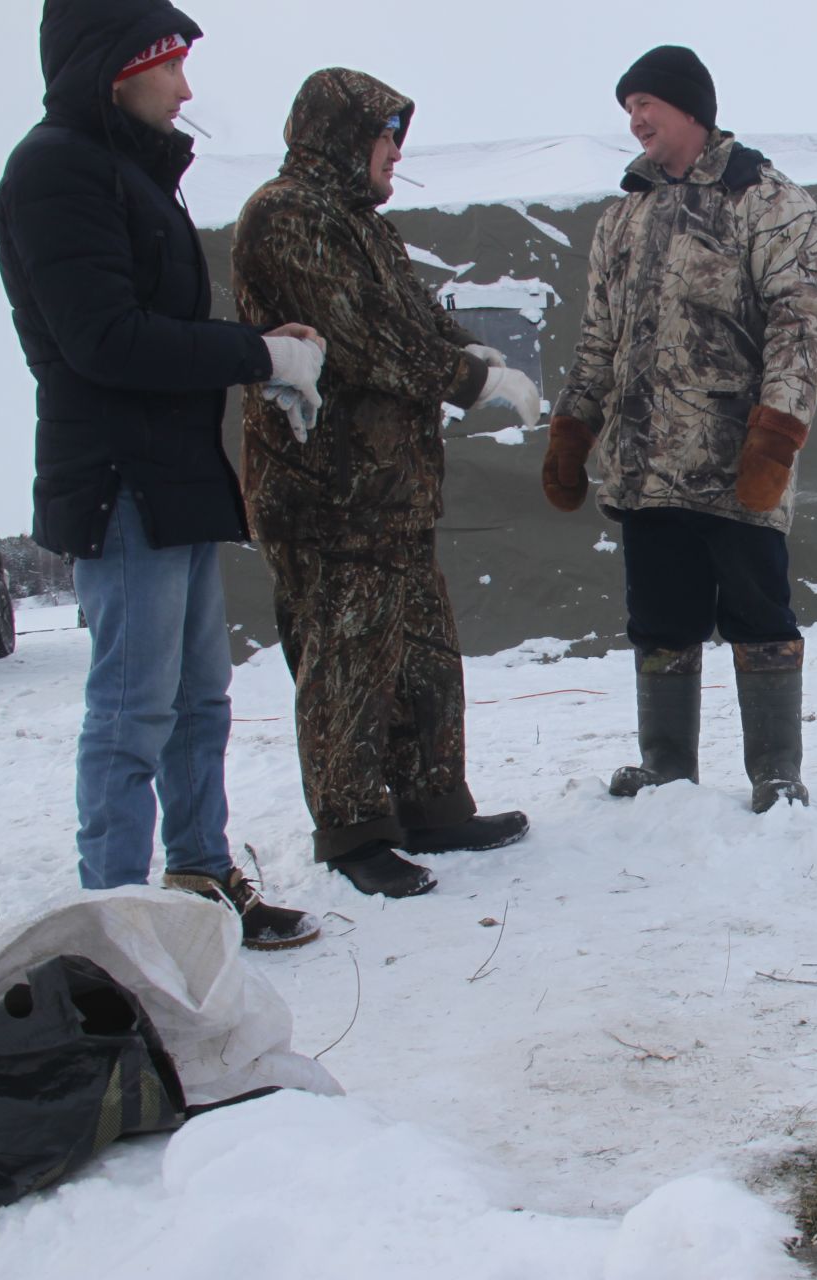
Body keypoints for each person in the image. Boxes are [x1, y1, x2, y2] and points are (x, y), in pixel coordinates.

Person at [0, 0, 325, 949]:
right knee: (134, 708)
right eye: (170, 67)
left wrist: (262, 349)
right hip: (120, 478)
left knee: (197, 701)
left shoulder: (129, 174)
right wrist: (255, 356)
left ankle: (199, 881)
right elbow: (104, 340)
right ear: (116, 68)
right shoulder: (56, 171)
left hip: (174, 474)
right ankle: (117, 928)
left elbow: (162, 327)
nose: (186, 89)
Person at [231, 68, 540, 899]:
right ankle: (353, 830)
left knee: (425, 660)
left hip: (392, 493)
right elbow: (359, 337)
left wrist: (473, 352)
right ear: (345, 135)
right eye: (386, 136)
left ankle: (433, 805)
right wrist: (466, 384)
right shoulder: (285, 216)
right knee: (347, 664)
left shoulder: (365, 227)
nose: (397, 153)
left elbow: (413, 316)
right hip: (326, 495)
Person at [543, 45, 817, 814]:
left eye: (648, 103)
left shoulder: (766, 201)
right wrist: (574, 427)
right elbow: (597, 337)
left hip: (734, 463)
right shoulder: (622, 217)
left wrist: (775, 438)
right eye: (627, 107)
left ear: (691, 110)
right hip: (645, 468)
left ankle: (776, 773)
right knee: (660, 619)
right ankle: (667, 772)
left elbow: (803, 324)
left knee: (758, 613)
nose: (635, 119)